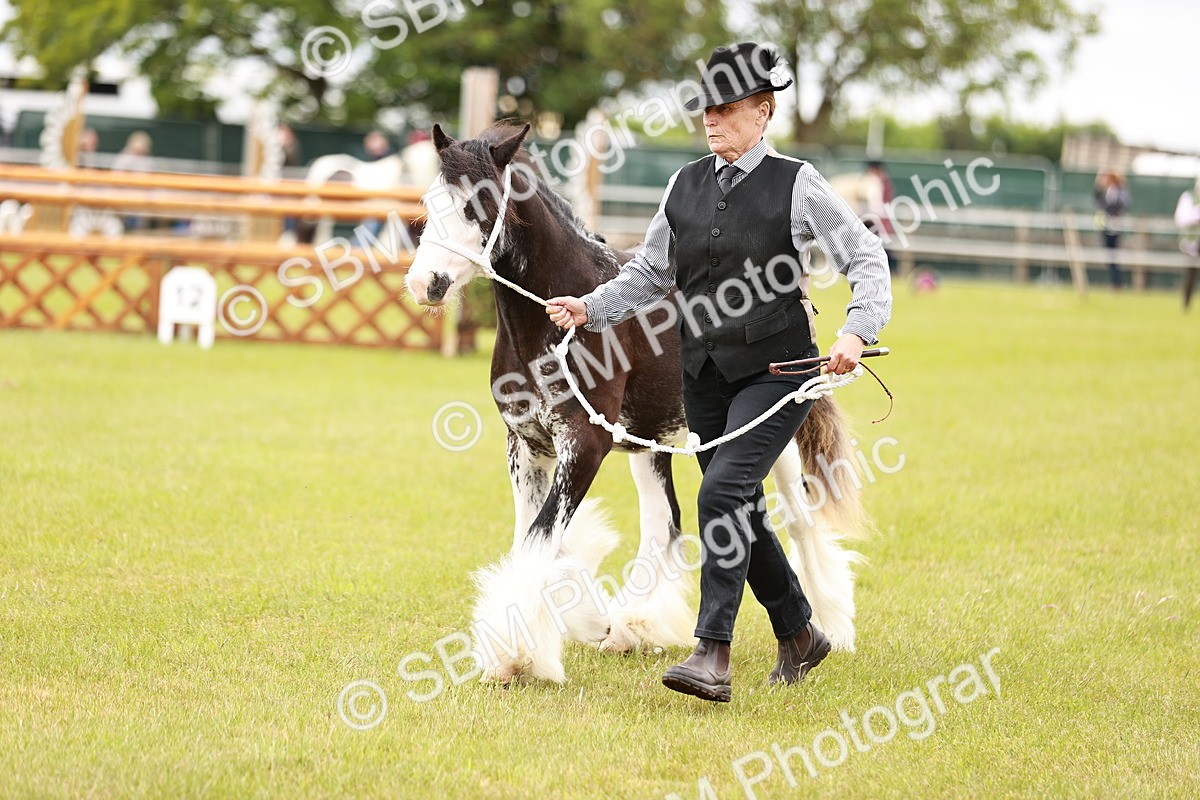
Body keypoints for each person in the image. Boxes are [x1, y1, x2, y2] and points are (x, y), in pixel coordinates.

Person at [545, 43, 892, 702]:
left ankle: (713, 653)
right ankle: (798, 632)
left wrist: (856, 329)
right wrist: (588, 309)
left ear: (762, 112)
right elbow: (650, 273)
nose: (712, 119)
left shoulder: (798, 183)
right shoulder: (685, 184)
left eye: (727, 109)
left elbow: (866, 256)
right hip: (703, 376)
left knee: (719, 494)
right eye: (706, 107)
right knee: (738, 503)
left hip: (779, 371)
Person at [1093, 172, 1131, 290]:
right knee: (1109, 256)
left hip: (1114, 227)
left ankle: (1117, 283)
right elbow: (1096, 198)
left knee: (1113, 256)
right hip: (1105, 226)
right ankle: (1114, 282)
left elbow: (1122, 205)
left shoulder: (1120, 192)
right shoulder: (1106, 192)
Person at [1174, 174, 1200, 309]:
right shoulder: (1188, 197)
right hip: (1191, 241)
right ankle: (1186, 304)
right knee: (1190, 274)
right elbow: (1180, 218)